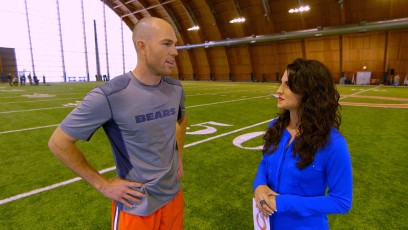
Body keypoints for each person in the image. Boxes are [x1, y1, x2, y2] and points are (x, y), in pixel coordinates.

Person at [48, 17, 187, 229]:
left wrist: (179, 155)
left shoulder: (175, 88)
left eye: (175, 44)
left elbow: (181, 119)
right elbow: (58, 142)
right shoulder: (111, 95)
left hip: (173, 198)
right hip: (136, 208)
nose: (175, 52)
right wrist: (103, 185)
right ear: (143, 46)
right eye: (167, 44)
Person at [253, 58, 352, 230]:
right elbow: (265, 162)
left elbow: (341, 201)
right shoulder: (275, 127)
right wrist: (259, 185)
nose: (279, 90)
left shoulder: (333, 144)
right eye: (281, 83)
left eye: (288, 85)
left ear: (309, 92)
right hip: (268, 224)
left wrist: (284, 202)